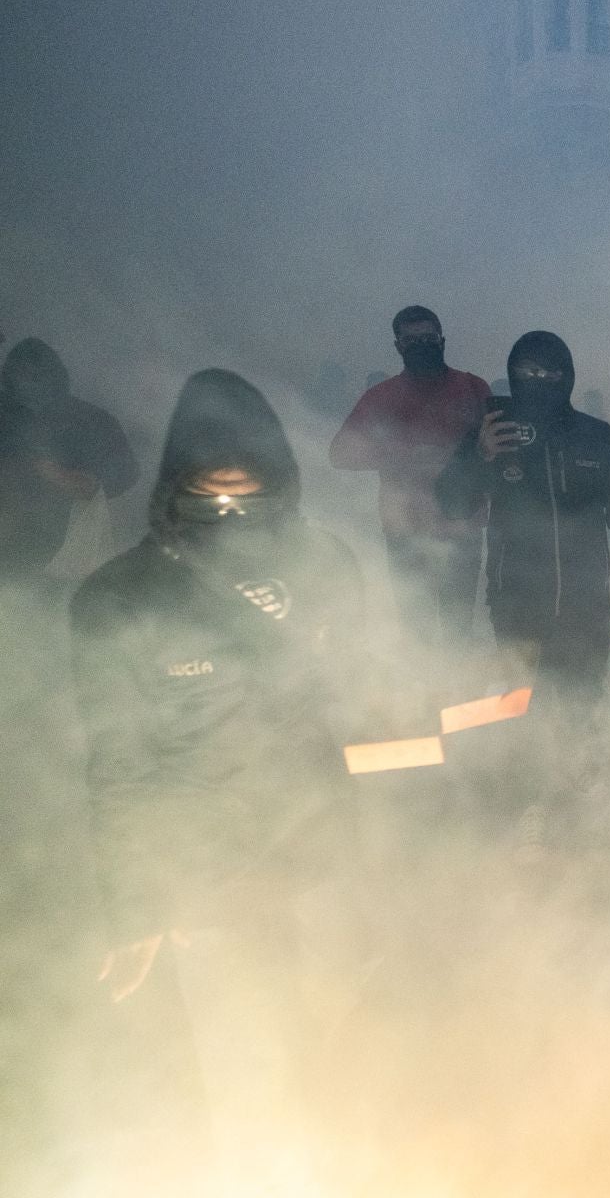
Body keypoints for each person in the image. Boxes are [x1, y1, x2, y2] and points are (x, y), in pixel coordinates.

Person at [73, 369, 373, 1171]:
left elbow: (363, 696)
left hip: (319, 862)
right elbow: (121, 768)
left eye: (256, 503)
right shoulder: (119, 600)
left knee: (340, 1056)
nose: (236, 520)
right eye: (214, 506)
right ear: (176, 490)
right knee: (248, 1079)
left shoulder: (326, 565)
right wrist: (134, 909)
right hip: (207, 879)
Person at [436, 331, 610, 705]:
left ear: (567, 376)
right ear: (513, 373)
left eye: (551, 375)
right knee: (520, 707)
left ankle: (580, 763)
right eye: (529, 373)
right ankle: (523, 763)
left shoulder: (596, 436)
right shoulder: (491, 435)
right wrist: (479, 456)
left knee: (581, 702)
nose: (540, 382)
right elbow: (453, 505)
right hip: (515, 606)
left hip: (585, 606)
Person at [329, 307, 491, 655]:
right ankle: (420, 701)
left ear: (442, 340)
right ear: (398, 346)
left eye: (428, 338)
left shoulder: (473, 388)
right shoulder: (381, 398)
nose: (421, 345)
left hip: (461, 526)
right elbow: (339, 454)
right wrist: (401, 454)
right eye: (412, 340)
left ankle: (453, 695)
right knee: (415, 625)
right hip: (406, 529)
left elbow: (497, 449)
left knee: (457, 628)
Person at [0, 337, 137, 583]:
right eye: (19, 375)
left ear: (56, 377)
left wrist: (66, 477)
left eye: (36, 375)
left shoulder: (88, 420)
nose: (27, 384)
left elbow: (124, 473)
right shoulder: (5, 419)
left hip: (67, 554)